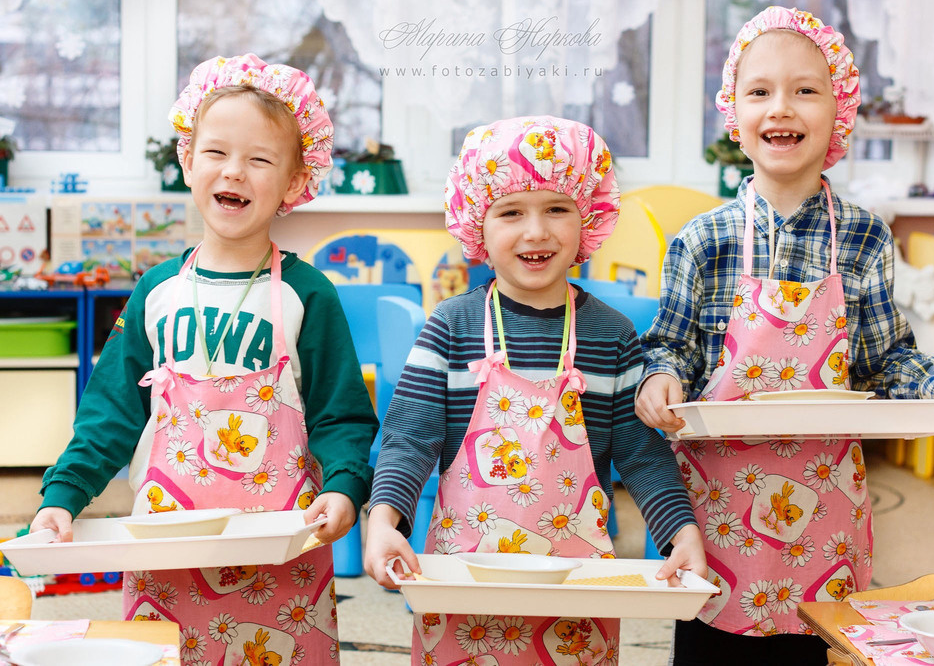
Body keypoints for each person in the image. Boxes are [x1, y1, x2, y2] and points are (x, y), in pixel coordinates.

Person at [634, 7, 934, 665]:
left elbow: (885, 359)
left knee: (811, 648)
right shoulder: (702, 241)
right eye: (759, 91)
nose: (780, 107)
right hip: (717, 513)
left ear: (840, 111)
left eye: (805, 89)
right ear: (734, 113)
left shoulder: (867, 238)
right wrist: (659, 377)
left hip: (823, 512)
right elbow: (669, 346)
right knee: (708, 646)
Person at [31, 54, 378, 665]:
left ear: (297, 181)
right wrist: (62, 498)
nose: (235, 171)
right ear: (188, 162)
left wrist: (347, 487)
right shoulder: (156, 291)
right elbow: (110, 413)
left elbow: (341, 415)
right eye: (216, 152)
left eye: (261, 159)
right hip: (166, 546)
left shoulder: (309, 293)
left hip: (280, 551)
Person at [362, 115, 706, 665]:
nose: (536, 231)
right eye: (511, 211)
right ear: (478, 224)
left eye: (556, 209)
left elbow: (642, 456)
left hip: (575, 589)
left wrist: (679, 532)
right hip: (464, 584)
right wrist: (383, 521)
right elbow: (409, 441)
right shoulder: (450, 327)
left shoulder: (611, 335)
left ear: (587, 217)